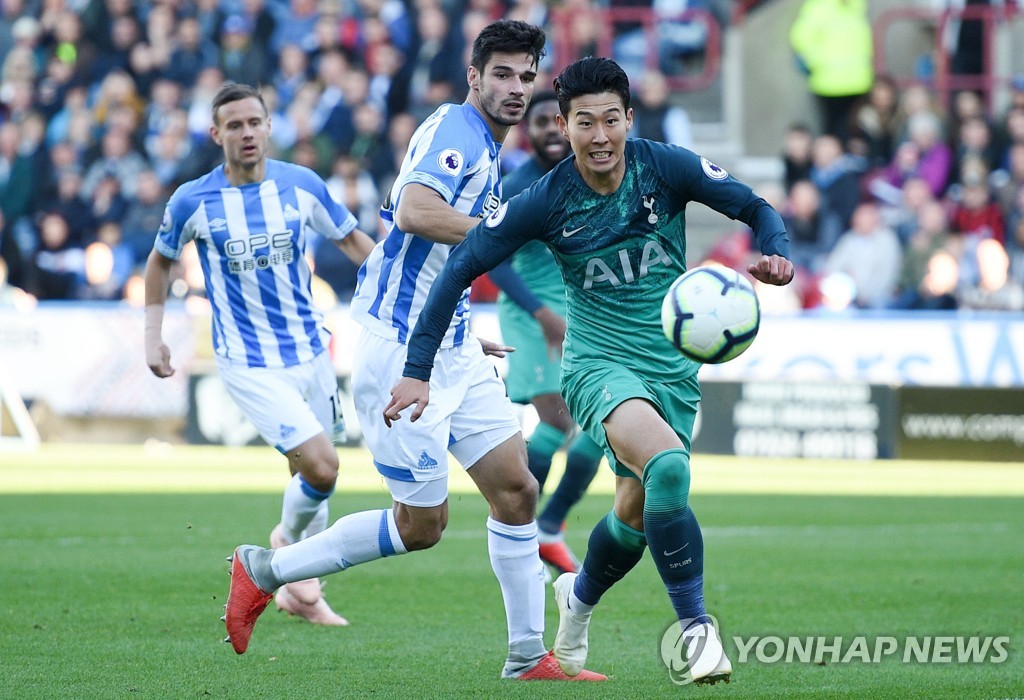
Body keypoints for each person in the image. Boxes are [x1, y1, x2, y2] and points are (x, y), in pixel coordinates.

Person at [385, 56, 794, 685]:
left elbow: (755, 206)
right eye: (584, 122)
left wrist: (776, 252)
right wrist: (418, 368)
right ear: (565, 126)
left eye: (610, 120)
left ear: (629, 118)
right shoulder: (547, 198)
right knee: (668, 467)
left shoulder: (666, 167)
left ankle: (575, 605)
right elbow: (462, 266)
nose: (599, 136)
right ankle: (696, 632)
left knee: (635, 513)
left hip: (672, 369)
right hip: (597, 364)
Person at [222, 20, 606, 682]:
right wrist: (504, 231)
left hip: (448, 341)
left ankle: (527, 656)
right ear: (474, 76)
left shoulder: (487, 144)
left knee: (517, 489)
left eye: (526, 76)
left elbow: (431, 255)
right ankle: (266, 569)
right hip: (400, 354)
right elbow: (415, 212)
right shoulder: (458, 132)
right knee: (421, 525)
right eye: (503, 75)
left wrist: (460, 324)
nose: (516, 89)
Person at [144, 82, 376, 628]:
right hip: (248, 361)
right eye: (235, 125)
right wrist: (153, 336)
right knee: (322, 465)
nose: (246, 133)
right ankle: (285, 547)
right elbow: (159, 262)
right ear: (216, 133)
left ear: (270, 127)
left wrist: (411, 295)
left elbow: (353, 242)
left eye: (254, 122)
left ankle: (302, 591)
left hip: (311, 351)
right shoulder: (193, 200)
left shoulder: (302, 185)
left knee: (313, 475)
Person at [489, 90, 604, 577]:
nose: (550, 132)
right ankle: (519, 526)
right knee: (557, 420)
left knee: (600, 430)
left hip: (577, 314)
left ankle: (549, 525)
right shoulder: (518, 186)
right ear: (528, 131)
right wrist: (541, 314)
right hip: (532, 314)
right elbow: (493, 259)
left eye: (555, 121)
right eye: (538, 123)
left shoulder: (590, 178)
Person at [789, 0, 874, 145]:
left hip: (858, 82)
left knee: (854, 133)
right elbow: (800, 38)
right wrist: (816, 61)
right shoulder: (819, 6)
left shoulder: (857, 6)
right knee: (832, 133)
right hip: (829, 83)